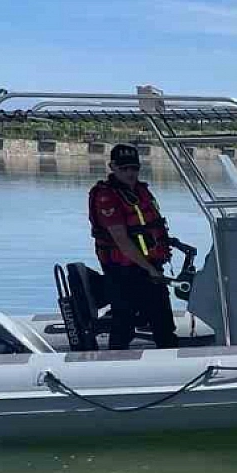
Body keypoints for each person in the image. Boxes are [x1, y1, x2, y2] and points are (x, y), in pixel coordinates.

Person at [87, 144, 184, 350]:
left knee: (163, 321)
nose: (130, 173)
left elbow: (148, 227)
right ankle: (113, 366)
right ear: (112, 166)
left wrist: (167, 244)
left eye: (134, 168)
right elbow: (122, 240)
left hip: (150, 268)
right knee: (124, 322)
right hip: (124, 271)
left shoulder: (141, 191)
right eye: (124, 169)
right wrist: (148, 269)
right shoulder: (107, 196)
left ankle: (169, 356)